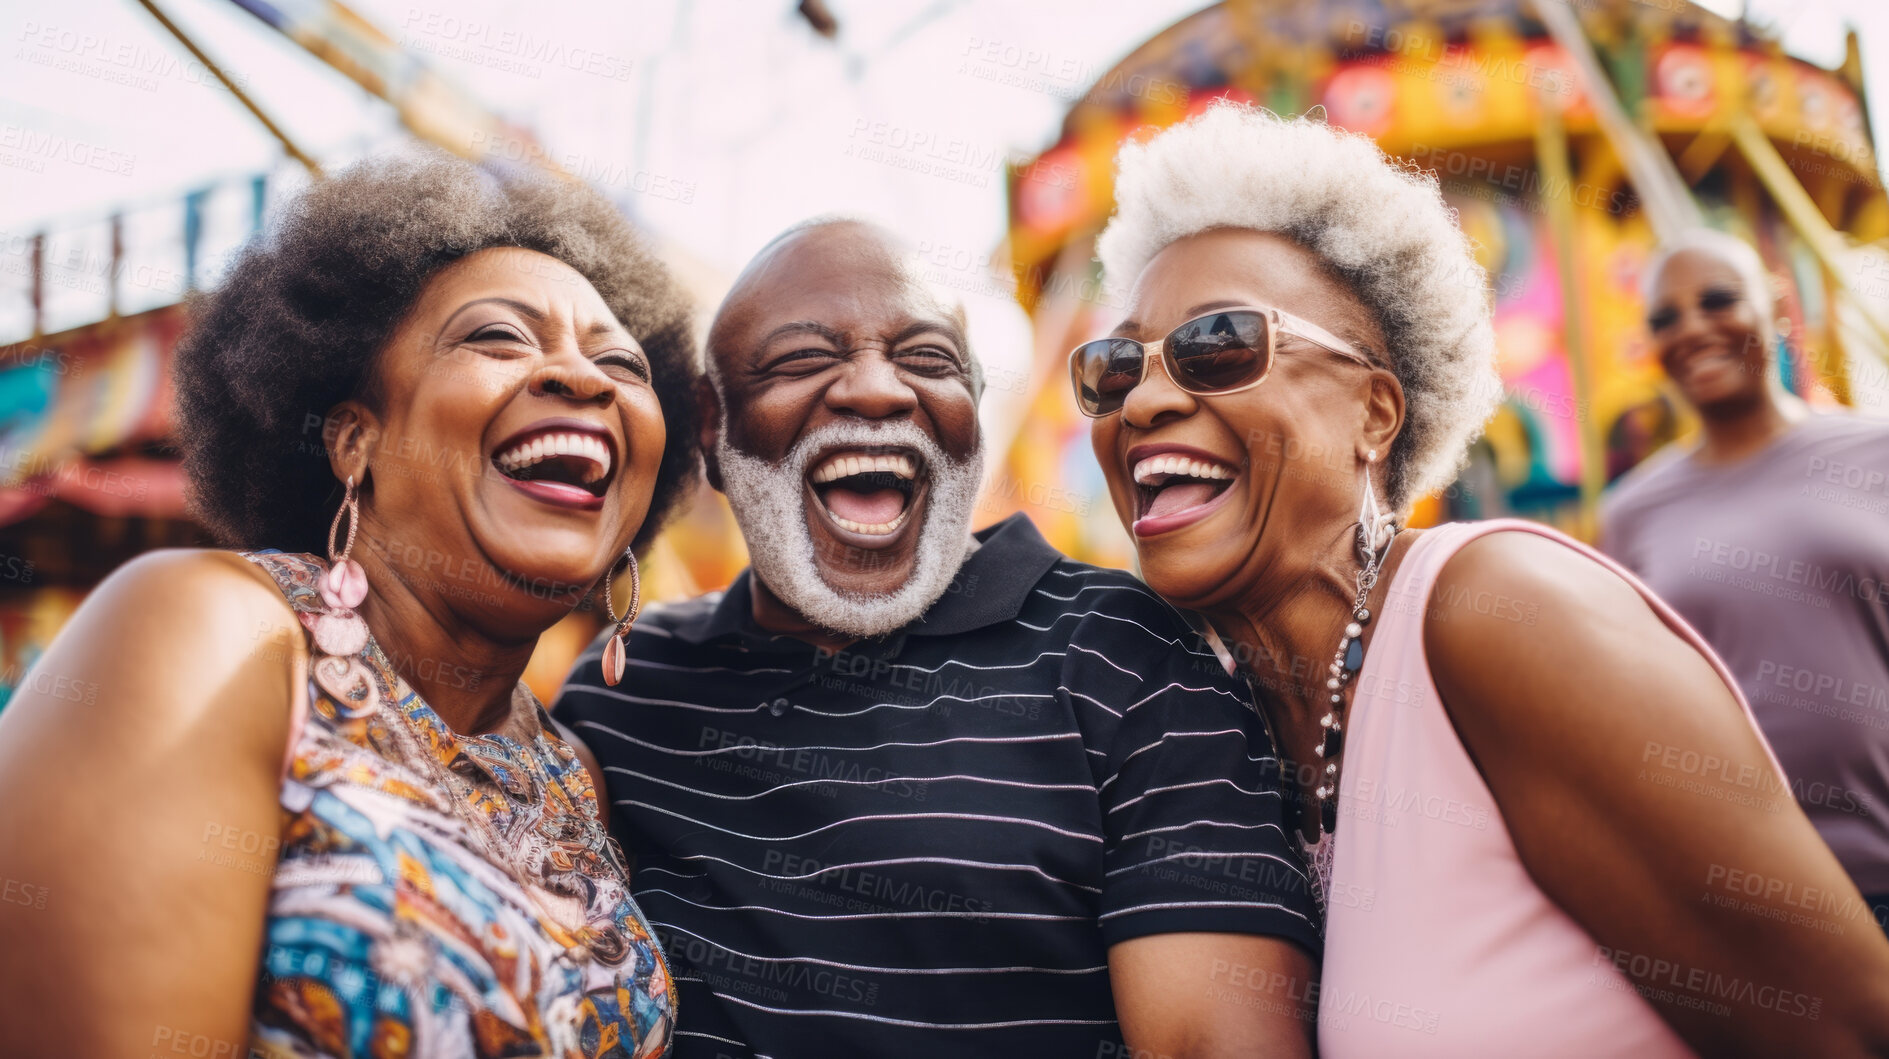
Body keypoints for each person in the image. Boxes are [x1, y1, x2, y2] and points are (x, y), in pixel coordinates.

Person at [1072, 101, 1889, 1057]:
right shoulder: (1216, 724)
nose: (1148, 399)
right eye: (1115, 367)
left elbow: (1842, 1031)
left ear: (1374, 413)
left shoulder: (1497, 616)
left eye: (1219, 346)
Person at [556, 217, 1321, 1058]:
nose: (879, 391)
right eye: (804, 358)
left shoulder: (1128, 655)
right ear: (710, 424)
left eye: (928, 359)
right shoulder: (625, 691)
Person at [0, 154, 698, 1058]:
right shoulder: (215, 632)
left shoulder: (574, 774)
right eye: (498, 338)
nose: (584, 379)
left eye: (620, 362)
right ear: (353, 438)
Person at [1601, 228, 1889, 936]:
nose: (1693, 327)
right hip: (1753, 908)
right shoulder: (1630, 514)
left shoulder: (1873, 452)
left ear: (1774, 306)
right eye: (1665, 318)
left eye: (1718, 299)